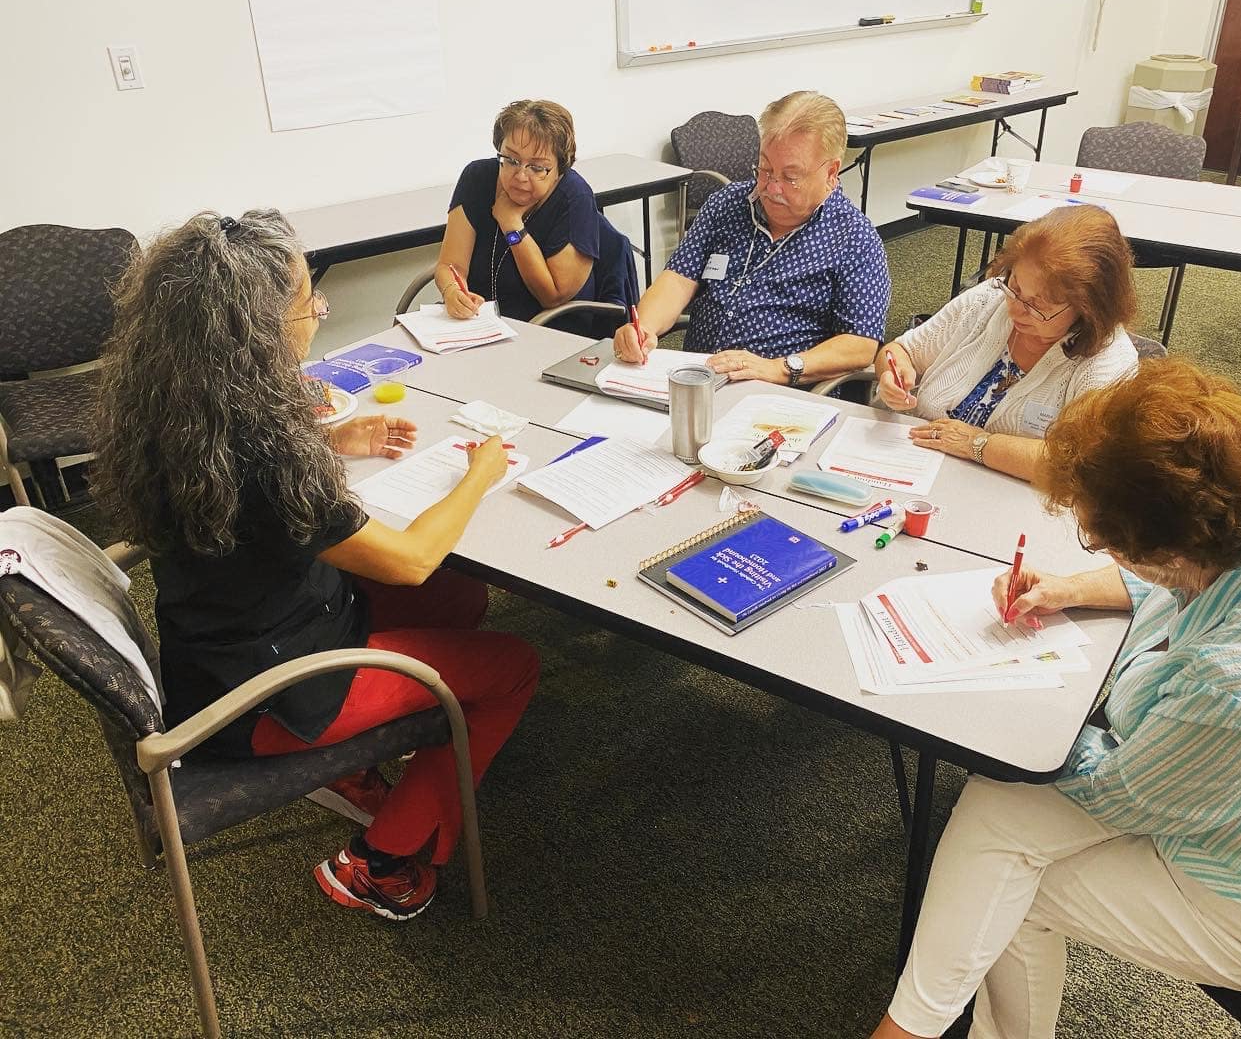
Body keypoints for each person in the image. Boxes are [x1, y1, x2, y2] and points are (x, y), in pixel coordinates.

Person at [873, 359, 1241, 1039]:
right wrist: (1071, 589)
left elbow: (1127, 792)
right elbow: (1179, 581)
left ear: (1161, 546)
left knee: (1008, 871)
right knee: (998, 822)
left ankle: (910, 1029)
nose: (1094, 543)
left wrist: (1013, 716)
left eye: (1099, 535)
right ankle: (911, 1028)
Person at [93, 210, 539, 922]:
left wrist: (333, 438)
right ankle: (382, 863)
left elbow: (247, 493)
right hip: (273, 695)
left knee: (461, 600)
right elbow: (411, 560)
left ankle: (360, 765)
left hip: (220, 648)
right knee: (512, 663)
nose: (317, 315)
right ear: (258, 329)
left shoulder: (175, 406)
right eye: (310, 304)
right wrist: (480, 474)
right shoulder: (267, 458)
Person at [614, 90, 890, 388]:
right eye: (766, 169)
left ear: (831, 172)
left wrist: (780, 368)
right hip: (698, 381)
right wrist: (643, 327)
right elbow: (679, 279)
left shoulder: (854, 237)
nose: (772, 187)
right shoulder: (727, 204)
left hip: (779, 392)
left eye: (790, 177)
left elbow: (860, 344)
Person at [875, 205, 1138, 482]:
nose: (1015, 309)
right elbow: (901, 350)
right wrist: (892, 373)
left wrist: (978, 445)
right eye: (1015, 286)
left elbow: (1080, 464)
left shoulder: (1108, 362)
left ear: (1089, 308)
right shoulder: (989, 299)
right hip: (912, 469)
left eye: (1038, 306)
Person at [437, 99, 599, 328]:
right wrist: (452, 291)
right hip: (477, 325)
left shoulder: (575, 197)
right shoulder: (477, 179)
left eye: (536, 167)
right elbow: (450, 266)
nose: (520, 176)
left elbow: (552, 296)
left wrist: (512, 224)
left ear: (560, 169)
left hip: (550, 331)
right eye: (511, 160)